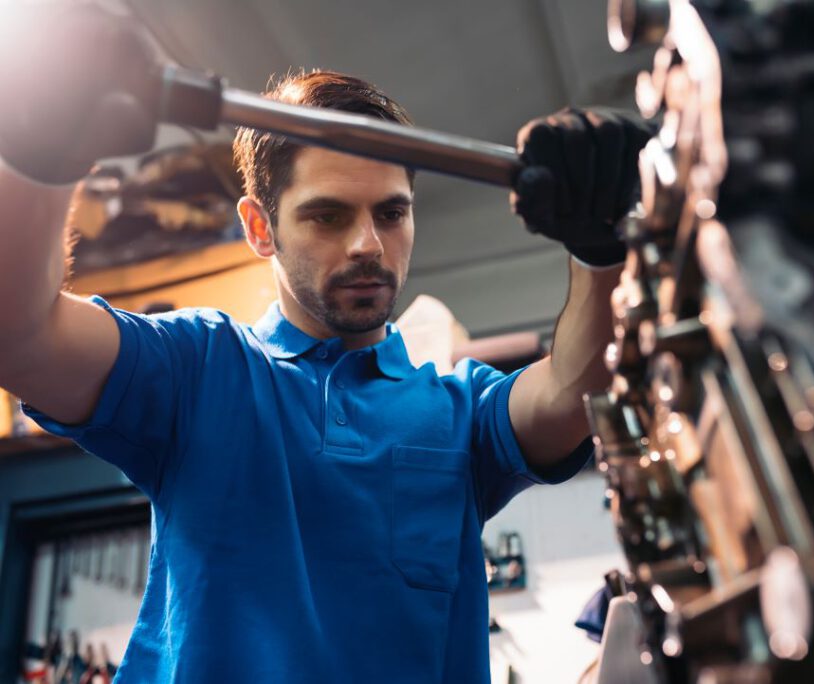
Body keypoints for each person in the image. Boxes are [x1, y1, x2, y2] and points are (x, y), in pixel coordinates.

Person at [0, 6, 651, 683]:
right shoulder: (197, 373)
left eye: (391, 213)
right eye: (328, 215)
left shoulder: (460, 413)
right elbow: (21, 334)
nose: (368, 244)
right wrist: (42, 157)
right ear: (259, 228)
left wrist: (599, 253)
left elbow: (573, 393)